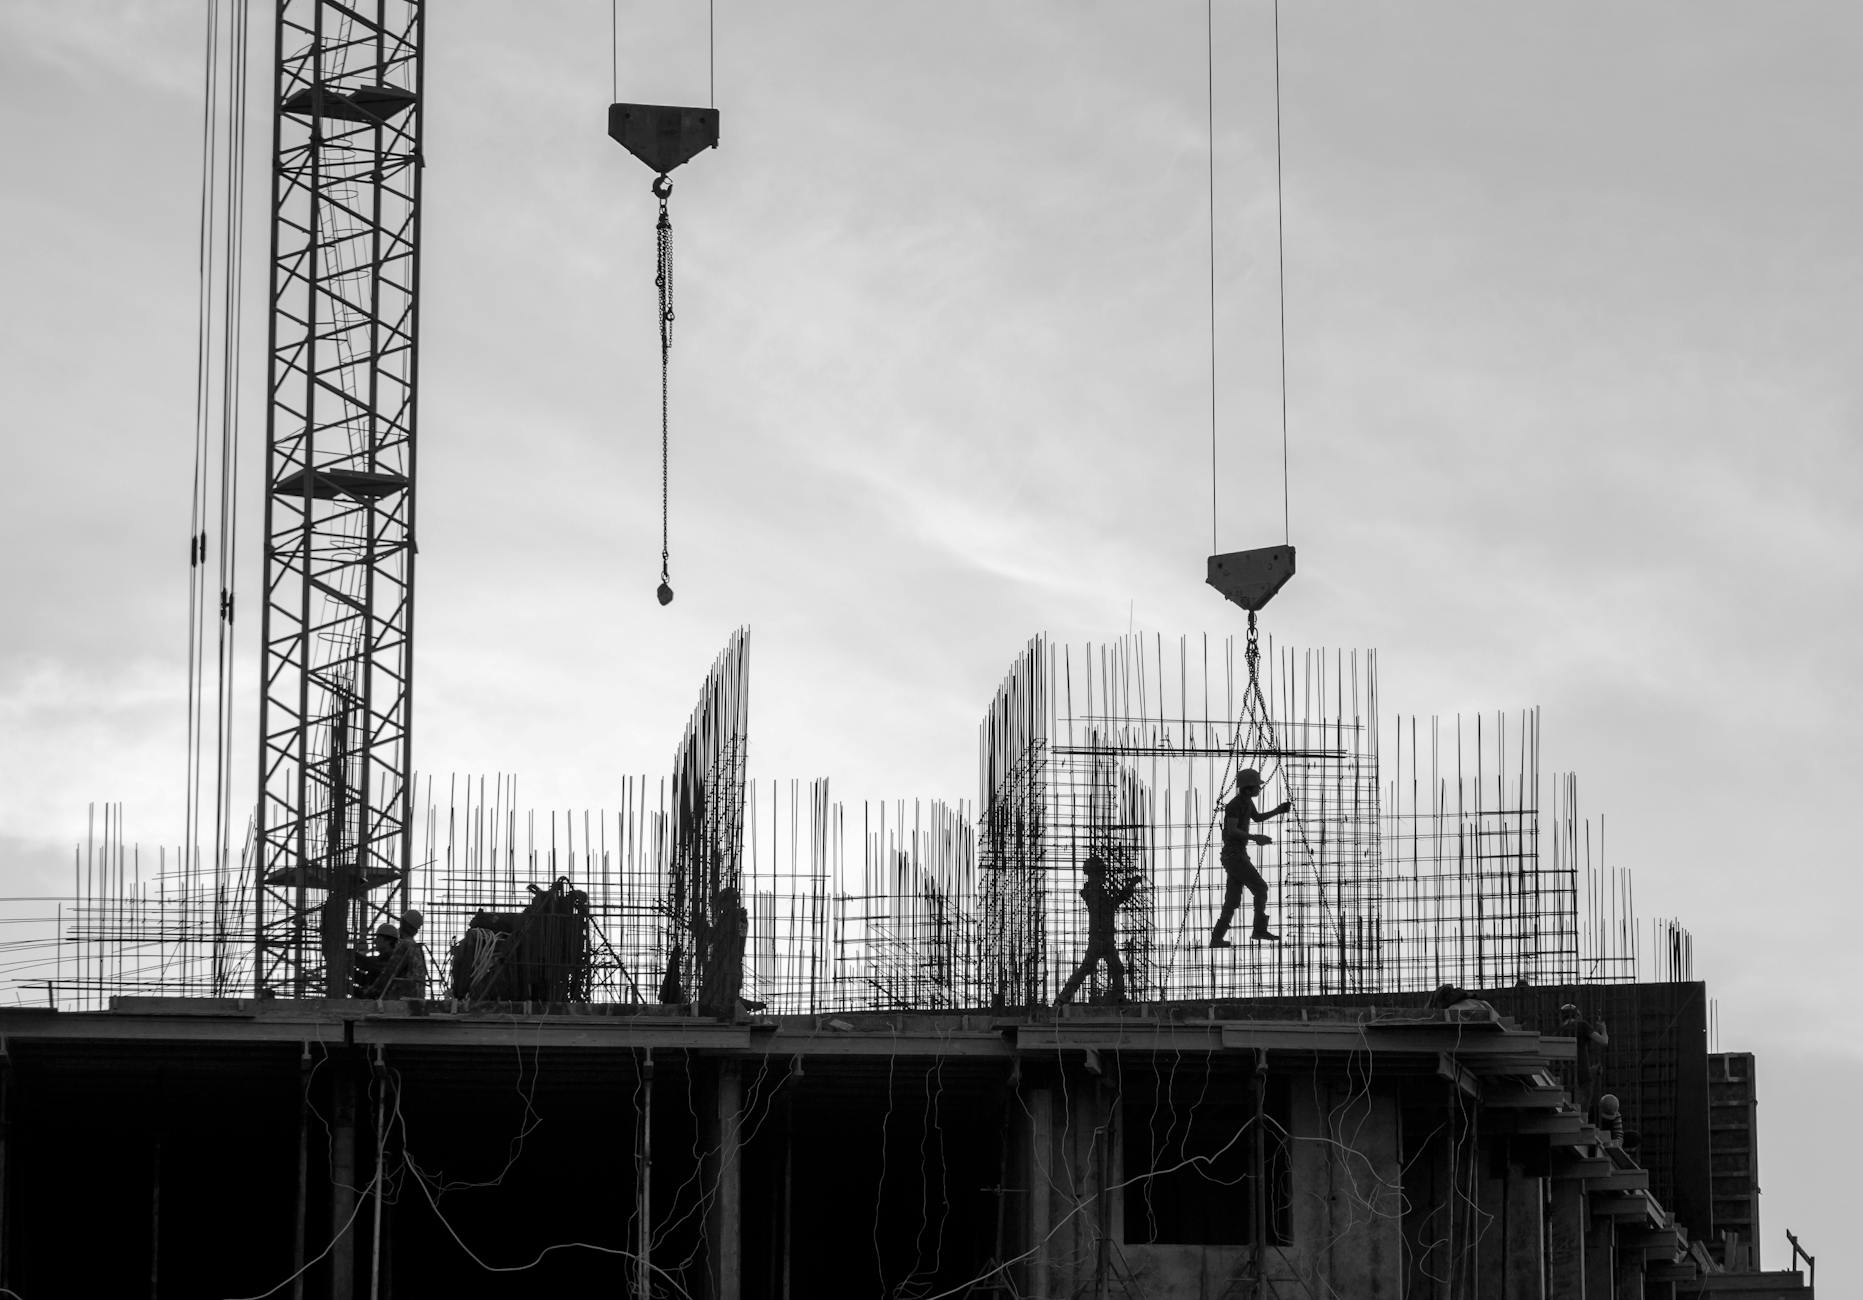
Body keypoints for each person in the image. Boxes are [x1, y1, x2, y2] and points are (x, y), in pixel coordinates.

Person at [1211, 768, 1291, 946]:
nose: (1259, 789)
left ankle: (1217, 937)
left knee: (1232, 900)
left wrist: (1278, 810)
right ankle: (1259, 930)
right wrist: (1256, 838)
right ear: (1248, 788)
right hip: (1234, 856)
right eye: (1257, 786)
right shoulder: (1235, 805)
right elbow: (1232, 830)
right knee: (1261, 888)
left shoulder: (1247, 802)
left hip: (1237, 856)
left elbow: (1257, 818)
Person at [1056, 855, 1137, 1006]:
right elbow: (1114, 902)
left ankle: (1063, 997)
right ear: (1097, 874)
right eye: (1103, 873)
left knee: (1097, 968)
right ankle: (1118, 999)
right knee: (1114, 969)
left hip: (1100, 938)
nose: (1105, 876)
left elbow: (1113, 902)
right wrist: (1129, 887)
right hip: (1102, 938)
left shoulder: (1095, 891)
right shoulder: (1095, 892)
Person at [1558, 1002, 1609, 1116]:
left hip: (1567, 1075)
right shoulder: (1582, 1025)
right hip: (1583, 1074)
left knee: (1570, 1105)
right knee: (1583, 1109)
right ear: (1576, 1014)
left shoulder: (1560, 1031)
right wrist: (1603, 1029)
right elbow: (1603, 1041)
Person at [379, 908, 428, 1000]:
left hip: (403, 996)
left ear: (403, 924)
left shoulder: (404, 946)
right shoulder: (417, 948)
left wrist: (372, 990)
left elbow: (389, 971)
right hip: (418, 996)